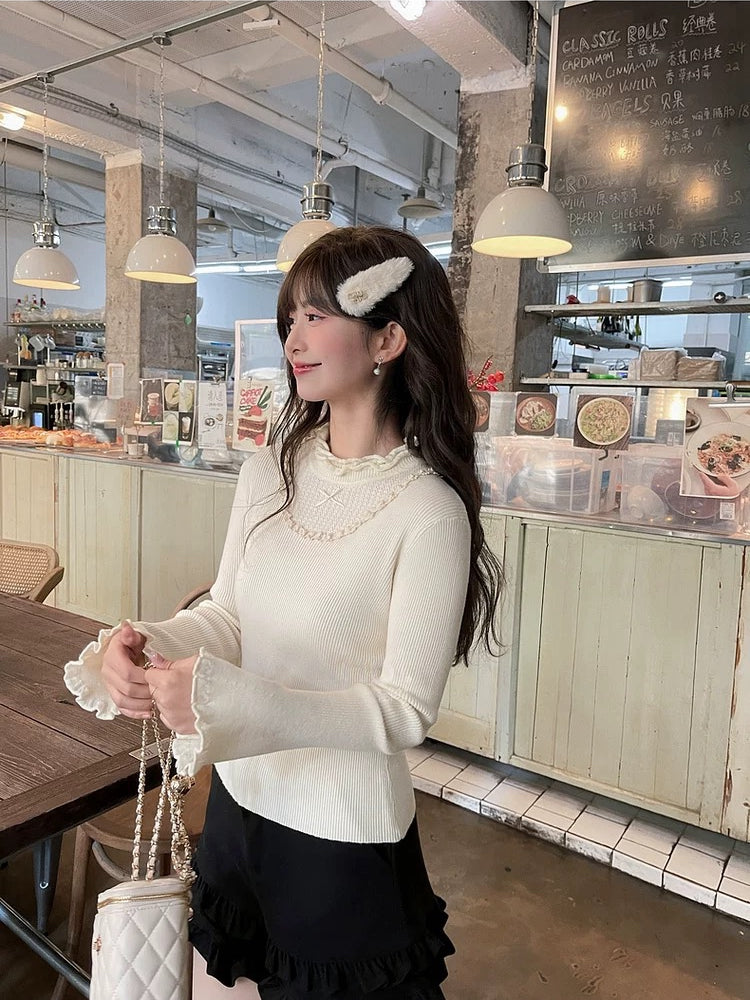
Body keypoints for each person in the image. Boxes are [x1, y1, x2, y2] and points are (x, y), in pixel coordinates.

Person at [64, 225, 503, 1000]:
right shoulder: (271, 470)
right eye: (291, 317)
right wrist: (144, 642)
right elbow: (231, 615)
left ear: (389, 338)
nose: (294, 339)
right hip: (239, 809)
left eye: (317, 316)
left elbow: (404, 709)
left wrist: (231, 700)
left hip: (341, 845)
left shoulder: (428, 511)